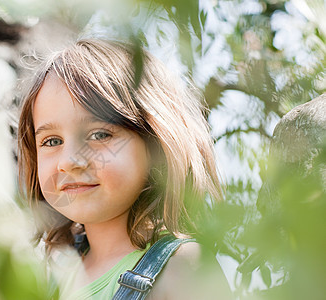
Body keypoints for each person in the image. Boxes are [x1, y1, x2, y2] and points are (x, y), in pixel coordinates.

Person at [17, 39, 231, 299]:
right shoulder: (47, 277)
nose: (69, 161)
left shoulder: (183, 267)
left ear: (154, 145)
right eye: (52, 141)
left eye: (99, 135)